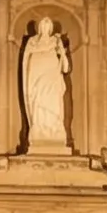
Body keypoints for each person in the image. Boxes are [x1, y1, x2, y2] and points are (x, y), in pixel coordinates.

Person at [21, 17, 70, 148]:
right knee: (38, 102)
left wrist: (62, 52)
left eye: (48, 26)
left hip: (52, 76)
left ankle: (54, 129)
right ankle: (39, 128)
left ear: (51, 28)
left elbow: (65, 67)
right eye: (43, 25)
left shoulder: (56, 41)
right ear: (40, 27)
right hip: (37, 78)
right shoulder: (32, 42)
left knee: (53, 103)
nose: (45, 28)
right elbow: (26, 61)